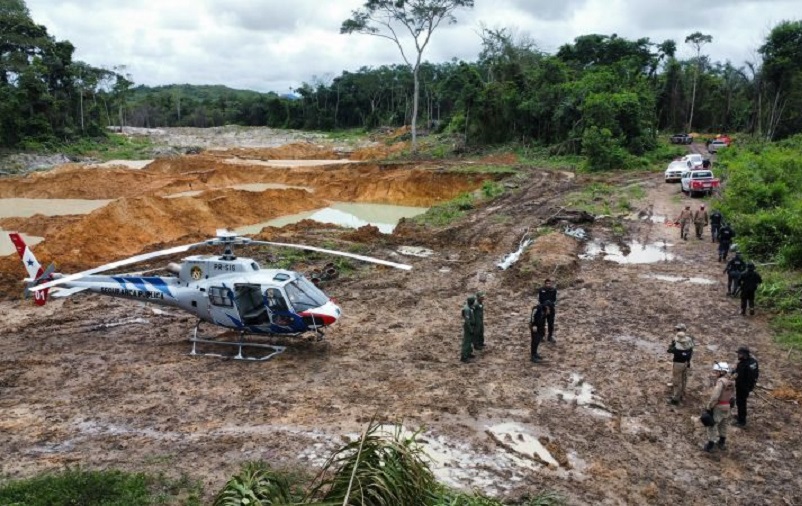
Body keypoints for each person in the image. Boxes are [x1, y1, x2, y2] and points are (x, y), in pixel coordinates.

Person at [704, 362, 734, 452]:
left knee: (711, 425)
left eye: (716, 371)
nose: (715, 373)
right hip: (727, 406)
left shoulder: (720, 382)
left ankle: (711, 444)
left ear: (722, 372)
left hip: (719, 406)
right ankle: (722, 442)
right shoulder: (731, 381)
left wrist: (709, 406)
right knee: (723, 424)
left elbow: (715, 397)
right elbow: (732, 395)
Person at [733, 346, 759, 427]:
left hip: (742, 387)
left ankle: (741, 421)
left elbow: (738, 376)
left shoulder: (743, 365)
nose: (738, 356)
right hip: (749, 386)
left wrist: (733, 374)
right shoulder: (753, 362)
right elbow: (757, 374)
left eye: (739, 354)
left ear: (744, 355)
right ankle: (741, 416)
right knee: (742, 402)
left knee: (740, 403)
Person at [667, 331, 695, 405]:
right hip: (686, 362)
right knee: (683, 378)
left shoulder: (677, 348)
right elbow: (692, 350)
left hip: (678, 364)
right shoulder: (689, 345)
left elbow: (669, 350)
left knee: (676, 381)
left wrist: (672, 344)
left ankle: (675, 399)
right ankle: (682, 393)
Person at [460, 296, 476, 363]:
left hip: (471, 326)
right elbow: (467, 320)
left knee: (470, 340)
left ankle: (469, 353)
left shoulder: (470, 307)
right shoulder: (467, 309)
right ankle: (464, 356)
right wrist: (470, 329)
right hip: (468, 326)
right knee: (466, 341)